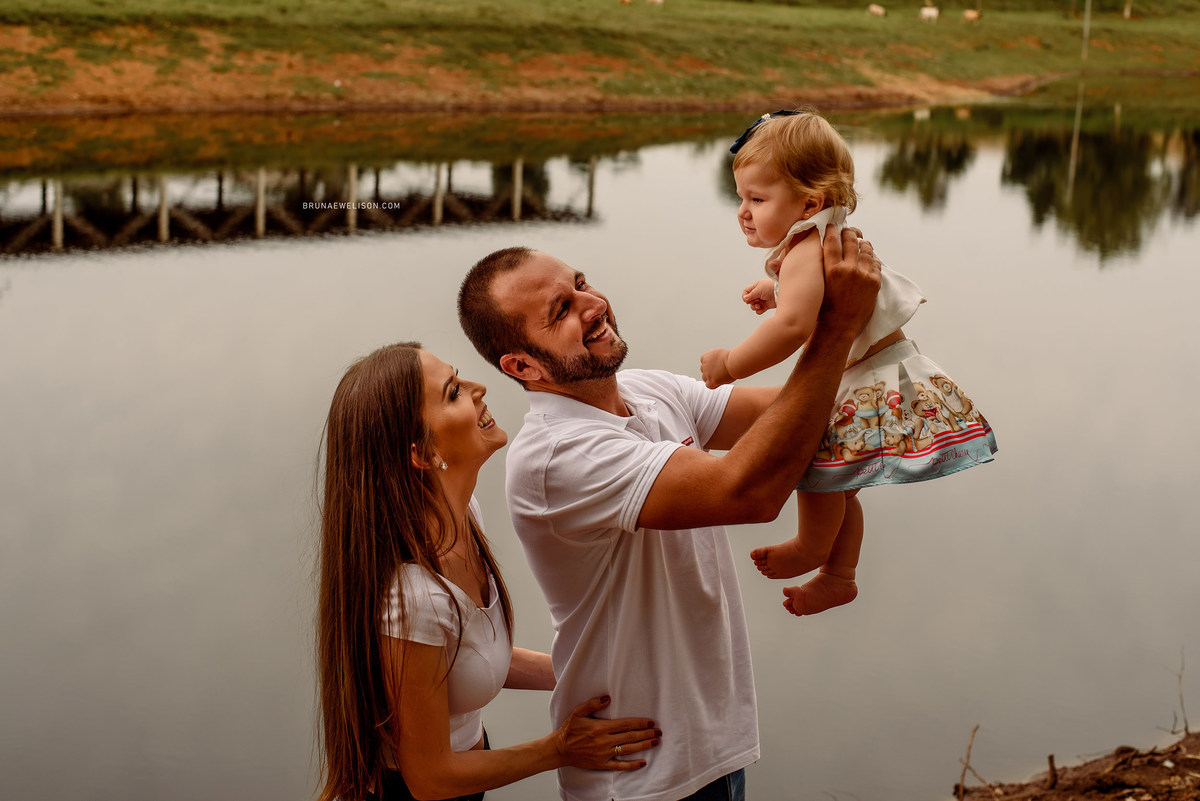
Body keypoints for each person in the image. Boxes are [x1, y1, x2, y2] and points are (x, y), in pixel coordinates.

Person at [457, 229, 880, 801]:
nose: (593, 304)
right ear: (524, 366)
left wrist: (844, 307)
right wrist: (832, 332)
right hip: (638, 773)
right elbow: (748, 492)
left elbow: (803, 416)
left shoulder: (647, 390)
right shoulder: (557, 455)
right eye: (561, 311)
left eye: (580, 283)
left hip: (712, 746)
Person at [315, 342, 661, 801]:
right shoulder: (413, 598)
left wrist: (592, 670)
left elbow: (469, 657)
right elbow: (430, 778)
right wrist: (560, 748)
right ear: (421, 453)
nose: (480, 389)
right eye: (454, 391)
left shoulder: (462, 517)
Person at [700, 109, 998, 617]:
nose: (743, 212)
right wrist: (775, 292)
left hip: (865, 382)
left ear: (809, 201)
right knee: (838, 487)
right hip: (883, 374)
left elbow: (793, 326)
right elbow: (816, 303)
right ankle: (839, 575)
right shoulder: (824, 235)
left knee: (813, 471)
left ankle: (811, 549)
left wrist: (730, 363)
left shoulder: (802, 249)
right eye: (741, 198)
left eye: (756, 199)